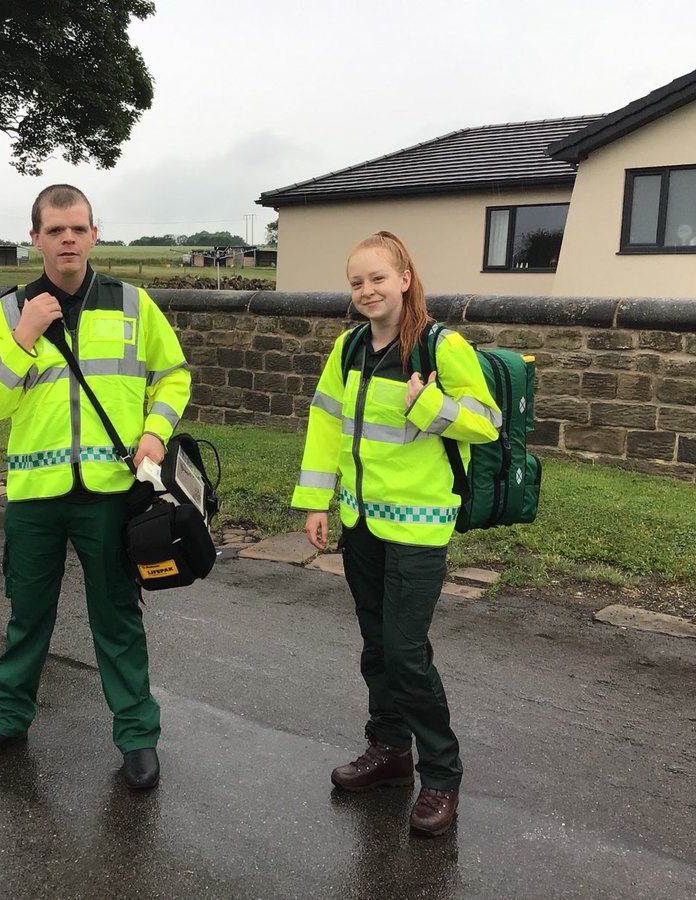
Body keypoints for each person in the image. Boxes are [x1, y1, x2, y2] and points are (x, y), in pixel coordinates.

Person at [0, 184, 190, 790]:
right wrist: (23, 337)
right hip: (35, 495)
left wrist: (156, 433)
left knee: (117, 618)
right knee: (27, 616)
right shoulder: (10, 311)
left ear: (93, 235)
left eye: (78, 229)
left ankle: (137, 736)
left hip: (110, 494)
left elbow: (173, 376)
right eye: (55, 230)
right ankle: (6, 720)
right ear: (34, 238)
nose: (68, 239)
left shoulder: (133, 303)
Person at [291, 231, 499, 835]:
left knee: (407, 654)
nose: (367, 291)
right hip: (360, 522)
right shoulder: (349, 346)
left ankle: (442, 776)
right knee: (377, 646)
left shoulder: (441, 345)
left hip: (418, 528)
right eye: (357, 282)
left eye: (378, 278)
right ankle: (389, 751)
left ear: (405, 279)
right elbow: (325, 423)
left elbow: (487, 421)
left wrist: (430, 407)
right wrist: (316, 501)